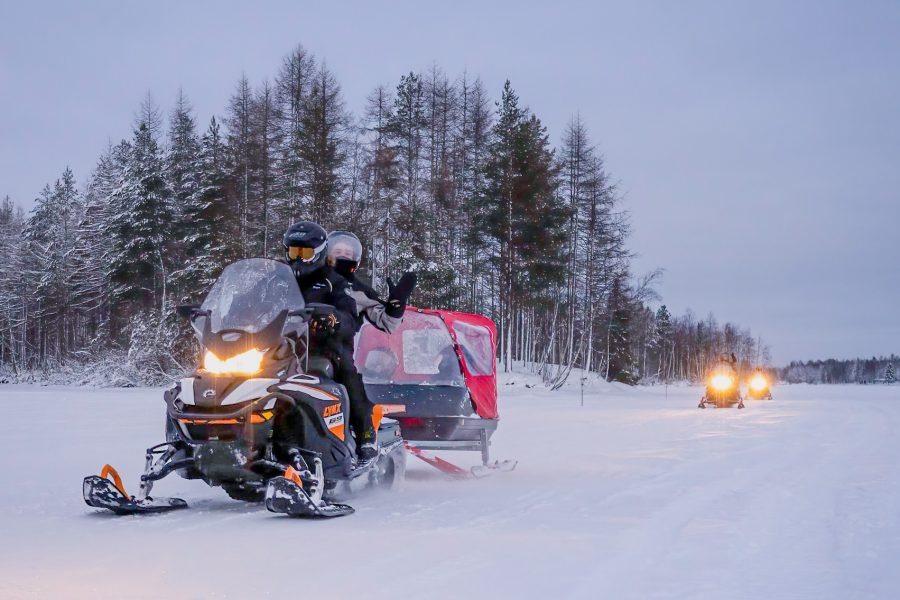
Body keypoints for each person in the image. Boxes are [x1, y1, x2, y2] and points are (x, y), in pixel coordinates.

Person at [281, 221, 377, 465]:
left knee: (347, 374)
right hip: (278, 347)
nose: (298, 259)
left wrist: (334, 320)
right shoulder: (277, 279)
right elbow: (254, 303)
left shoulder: (334, 281)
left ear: (320, 252)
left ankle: (366, 435)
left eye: (305, 253)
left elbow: (350, 317)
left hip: (323, 348)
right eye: (294, 252)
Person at [325, 230, 417, 333]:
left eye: (347, 253)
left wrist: (395, 306)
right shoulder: (311, 280)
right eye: (338, 252)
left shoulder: (361, 291)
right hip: (307, 342)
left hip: (339, 346)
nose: (343, 256)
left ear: (355, 258)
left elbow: (387, 323)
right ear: (328, 254)